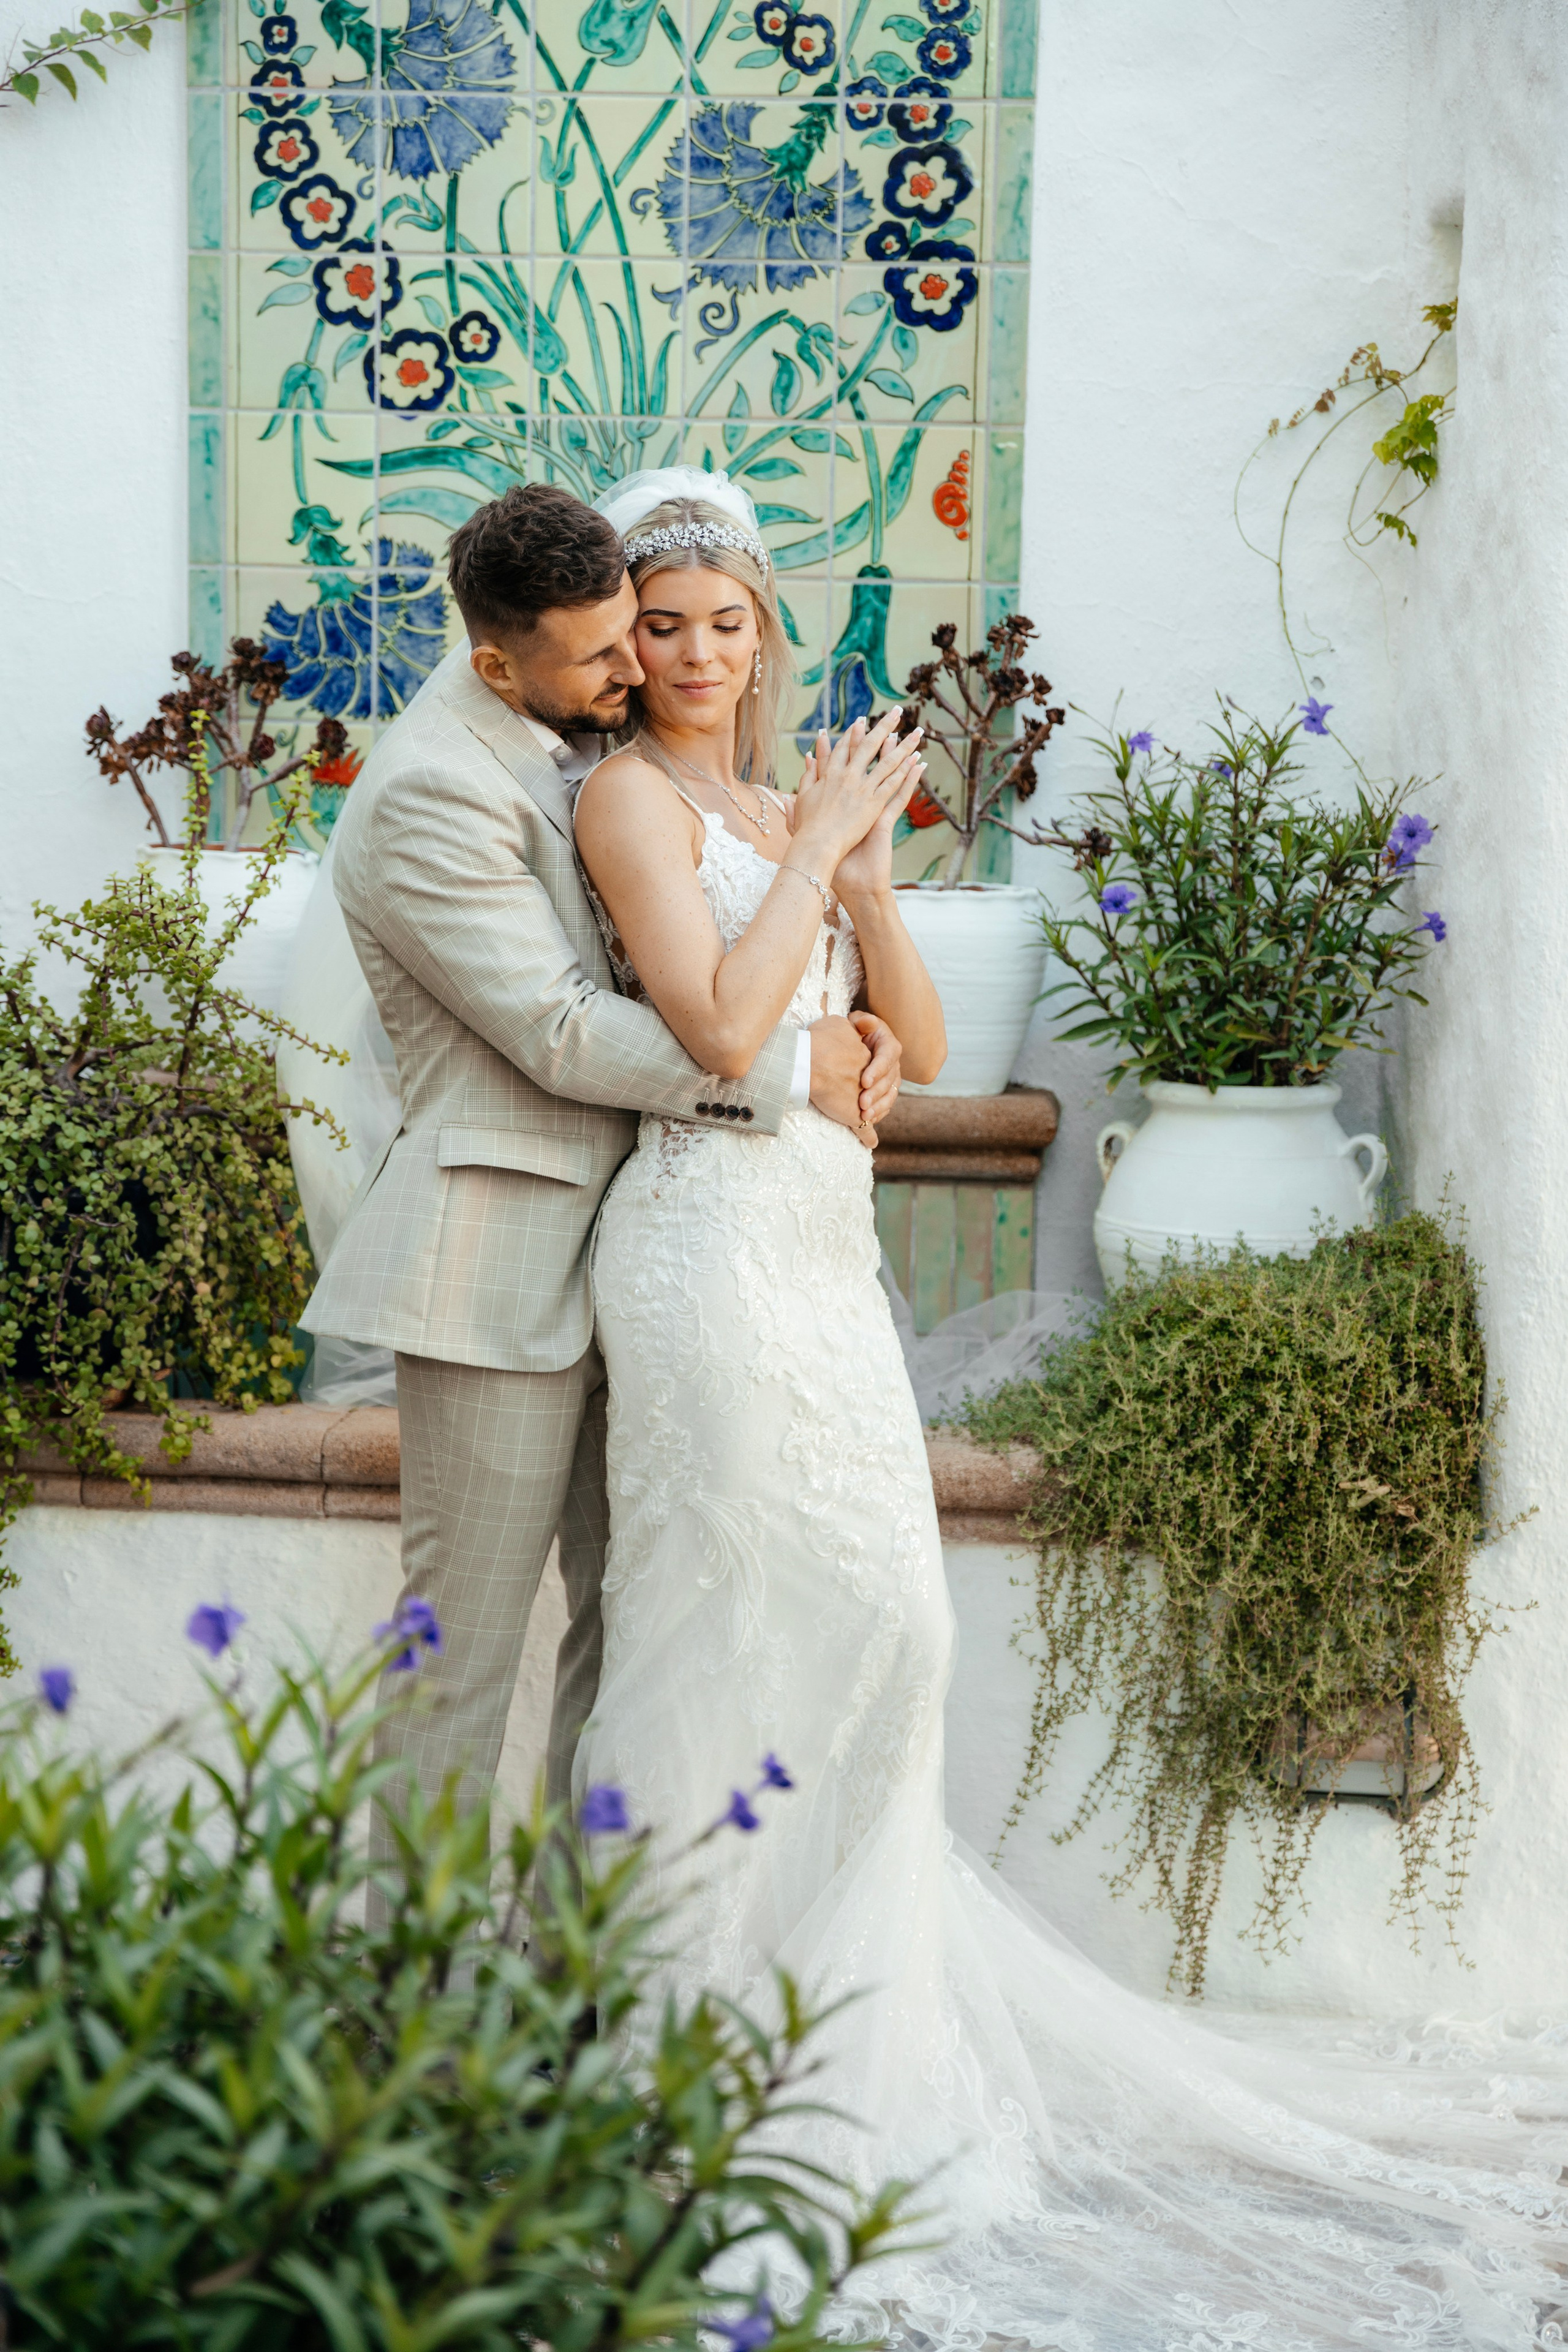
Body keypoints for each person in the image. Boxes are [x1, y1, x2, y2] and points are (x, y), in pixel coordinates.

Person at [570, 467, 1568, 2350]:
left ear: (765, 630)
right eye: (667, 624)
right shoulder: (628, 798)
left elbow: (933, 1058)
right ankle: (668, 2051)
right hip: (701, 1246)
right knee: (717, 1621)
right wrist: (811, 906)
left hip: (815, 1253)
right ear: (628, 647)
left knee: (892, 1633)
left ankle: (848, 2063)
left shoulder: (803, 807)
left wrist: (859, 870)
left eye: (727, 620)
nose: (699, 653)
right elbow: (715, 1032)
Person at [300, 483, 911, 1853]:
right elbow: (559, 1028)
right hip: (494, 1267)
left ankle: (571, 1995)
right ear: (494, 660)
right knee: (461, 1661)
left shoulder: (577, 745)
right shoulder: (426, 793)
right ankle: (415, 2031)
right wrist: (791, 1066)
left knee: (629, 1646)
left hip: (650, 1257)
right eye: (605, 652)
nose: (638, 670)